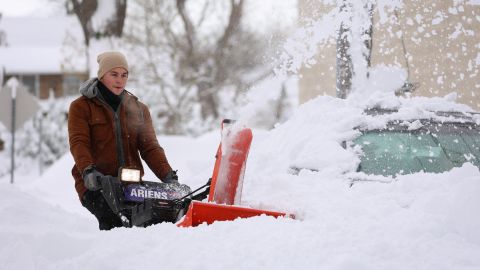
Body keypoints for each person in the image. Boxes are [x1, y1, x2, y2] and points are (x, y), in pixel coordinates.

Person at [68, 51, 178, 230]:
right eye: (114, 74)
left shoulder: (138, 109)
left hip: (130, 185)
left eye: (124, 75)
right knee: (113, 224)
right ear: (102, 75)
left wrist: (168, 175)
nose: (120, 80)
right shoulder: (81, 107)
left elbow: (150, 147)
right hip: (96, 184)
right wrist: (88, 170)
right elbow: (78, 142)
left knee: (149, 221)